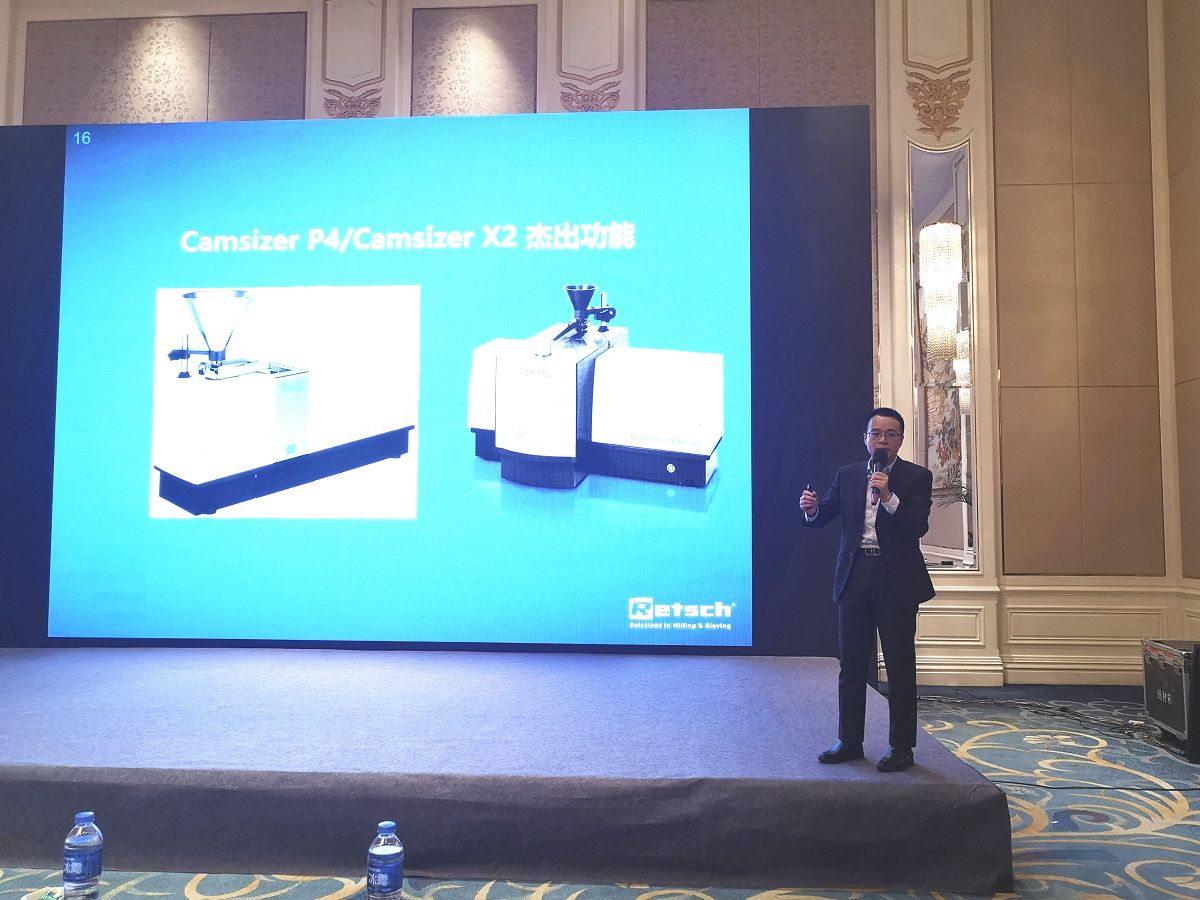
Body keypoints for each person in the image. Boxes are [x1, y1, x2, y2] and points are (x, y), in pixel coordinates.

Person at [799, 407, 935, 772]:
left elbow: (917, 526)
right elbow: (824, 515)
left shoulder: (917, 477)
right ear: (865, 439)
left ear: (900, 440)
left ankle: (901, 747)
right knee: (852, 664)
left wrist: (888, 496)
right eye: (876, 434)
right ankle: (849, 741)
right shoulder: (848, 475)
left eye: (890, 434)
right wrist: (811, 510)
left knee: (900, 665)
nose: (882, 440)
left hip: (896, 581)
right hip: (855, 575)